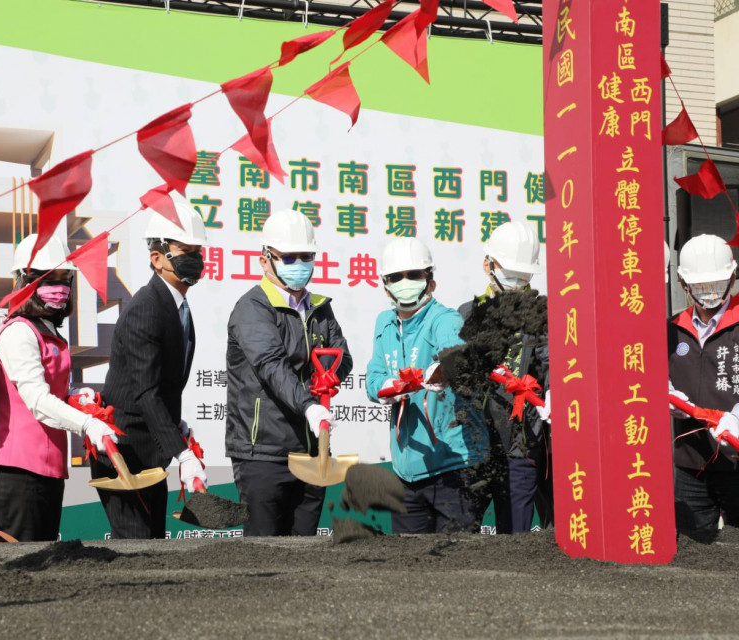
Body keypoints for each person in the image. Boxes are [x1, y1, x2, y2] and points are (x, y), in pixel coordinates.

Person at [0, 232, 117, 542]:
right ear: (24, 281)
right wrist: (86, 423)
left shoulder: (49, 333)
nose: (60, 288)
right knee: (23, 571)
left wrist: (74, 399)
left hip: (49, 470)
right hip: (17, 473)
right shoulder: (18, 332)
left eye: (64, 278)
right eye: (48, 279)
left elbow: (51, 394)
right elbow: (37, 400)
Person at [226, 209, 352, 537]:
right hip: (262, 453)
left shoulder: (320, 308)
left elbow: (343, 357)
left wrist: (329, 378)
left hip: (312, 448)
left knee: (305, 554)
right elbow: (271, 365)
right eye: (289, 257)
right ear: (265, 260)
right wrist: (310, 405)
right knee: (265, 553)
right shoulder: (252, 308)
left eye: (306, 256)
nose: (299, 264)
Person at [91, 198, 208, 539]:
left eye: (197, 251)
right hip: (125, 455)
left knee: (154, 544)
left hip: (151, 455)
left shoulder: (177, 307)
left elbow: (163, 383)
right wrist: (183, 452)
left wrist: (176, 425)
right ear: (156, 258)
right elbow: (146, 391)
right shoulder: (147, 308)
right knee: (136, 549)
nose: (195, 260)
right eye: (185, 251)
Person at [366, 237, 489, 534]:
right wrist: (392, 387)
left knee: (458, 569)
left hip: (454, 469)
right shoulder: (384, 322)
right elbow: (373, 378)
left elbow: (455, 352)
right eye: (396, 277)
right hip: (406, 473)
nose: (404, 282)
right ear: (385, 285)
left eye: (414, 275)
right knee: (410, 573)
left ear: (430, 281)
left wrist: (441, 371)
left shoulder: (444, 319)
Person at [457, 221, 552, 534]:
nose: (516, 283)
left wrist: (553, 393)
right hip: (475, 450)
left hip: (519, 450)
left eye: (523, 277)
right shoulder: (467, 314)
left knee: (516, 545)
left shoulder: (543, 315)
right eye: (510, 274)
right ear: (488, 265)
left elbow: (551, 363)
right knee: (460, 537)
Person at [668, 234, 739, 542]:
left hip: (736, 463)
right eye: (700, 287)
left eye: (716, 285)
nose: (708, 294)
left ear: (733, 278)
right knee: (694, 551)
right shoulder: (671, 329)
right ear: (684, 285)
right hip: (689, 464)